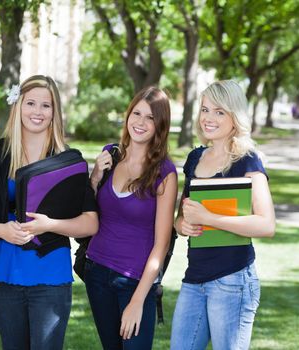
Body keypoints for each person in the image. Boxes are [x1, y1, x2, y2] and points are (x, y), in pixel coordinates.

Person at [0, 75, 99, 349]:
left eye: (46, 105)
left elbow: (90, 223)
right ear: (18, 106)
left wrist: (49, 225)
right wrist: (1, 230)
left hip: (50, 272)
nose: (37, 111)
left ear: (55, 112)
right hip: (4, 270)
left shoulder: (69, 160)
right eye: (30, 103)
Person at [170, 80, 275, 350]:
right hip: (195, 277)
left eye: (219, 111)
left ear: (234, 116)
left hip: (233, 280)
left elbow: (266, 224)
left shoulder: (247, 159)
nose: (209, 118)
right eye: (205, 110)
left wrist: (210, 219)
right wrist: (183, 225)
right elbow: (182, 216)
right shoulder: (195, 158)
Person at [85, 86, 178, 349]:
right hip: (97, 273)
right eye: (136, 113)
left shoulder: (164, 173)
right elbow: (89, 212)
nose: (140, 122)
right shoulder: (111, 156)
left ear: (160, 125)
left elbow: (162, 244)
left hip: (134, 280)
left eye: (150, 118)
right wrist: (94, 177)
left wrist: (138, 300)